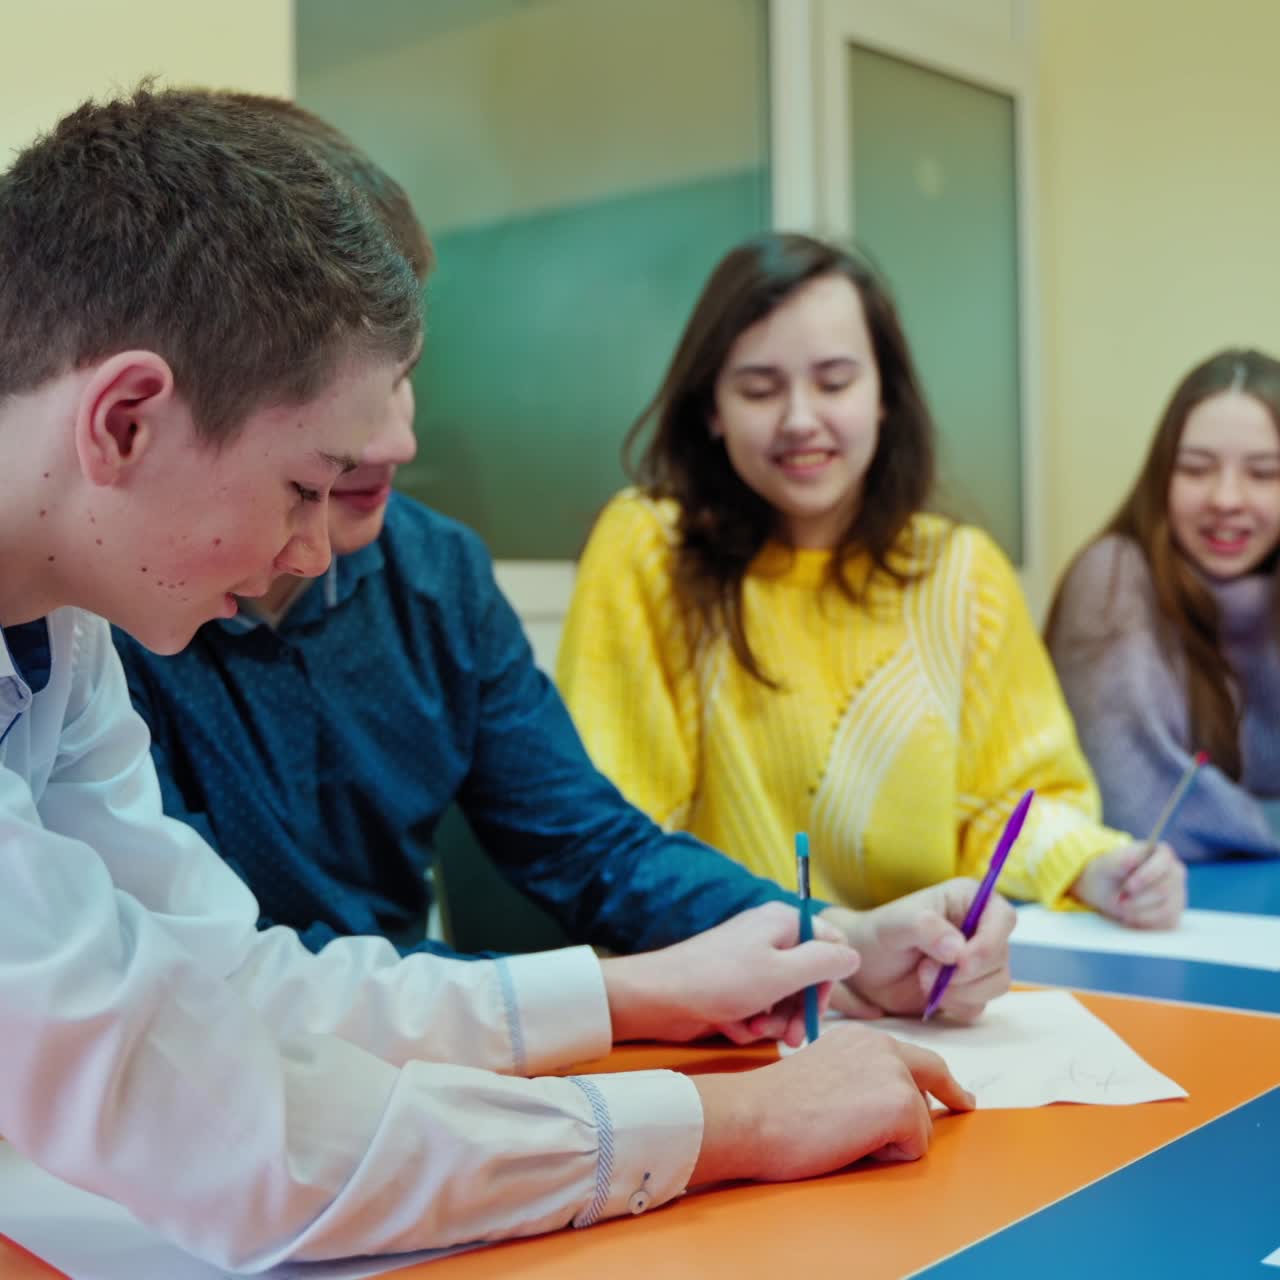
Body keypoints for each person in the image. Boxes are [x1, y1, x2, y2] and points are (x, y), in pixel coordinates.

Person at [0, 88, 973, 1272]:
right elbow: (230, 1125)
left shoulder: (67, 626)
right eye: (307, 485)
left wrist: (630, 995)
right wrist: (739, 1119)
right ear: (126, 420)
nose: (310, 550)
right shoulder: (120, 608)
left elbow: (238, 980)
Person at [114, 96, 1015, 1023]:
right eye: (346, 401)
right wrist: (624, 995)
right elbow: (208, 978)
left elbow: (590, 845)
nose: (398, 440)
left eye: (406, 377)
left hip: (408, 1065)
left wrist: (831, 940)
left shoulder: (440, 579)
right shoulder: (101, 612)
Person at [557, 232, 1186, 931]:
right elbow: (622, 831)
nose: (800, 420)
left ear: (885, 393)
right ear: (712, 408)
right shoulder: (651, 547)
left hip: (927, 982)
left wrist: (1095, 865)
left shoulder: (963, 571)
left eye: (834, 382)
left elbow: (1008, 808)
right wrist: (809, 942)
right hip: (729, 988)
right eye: (760, 389)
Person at [1047, 348, 1280, 860]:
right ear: (1161, 477)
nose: (1226, 498)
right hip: (1152, 912)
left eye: (1263, 474)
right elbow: (1139, 810)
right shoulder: (1111, 579)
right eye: (1196, 469)